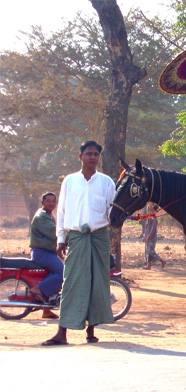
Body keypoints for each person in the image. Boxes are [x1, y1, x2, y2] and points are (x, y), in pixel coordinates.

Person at [42, 140, 116, 346]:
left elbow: (112, 212)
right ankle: (62, 333)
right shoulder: (70, 181)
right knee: (71, 284)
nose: (92, 157)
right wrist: (61, 238)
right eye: (89, 153)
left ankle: (91, 332)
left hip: (99, 238)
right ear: (80, 157)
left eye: (96, 154)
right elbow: (62, 211)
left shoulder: (107, 182)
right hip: (75, 237)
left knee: (97, 284)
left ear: (99, 158)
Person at [29, 192, 64, 319]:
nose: (51, 203)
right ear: (42, 202)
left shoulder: (48, 215)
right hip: (41, 252)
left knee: (52, 275)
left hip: (47, 252)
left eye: (53, 201)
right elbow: (54, 233)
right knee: (63, 272)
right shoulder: (42, 217)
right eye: (48, 201)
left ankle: (46, 309)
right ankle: (39, 289)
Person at [142, 203, 166, 270]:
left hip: (151, 238)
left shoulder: (153, 219)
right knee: (148, 252)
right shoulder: (149, 218)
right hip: (148, 237)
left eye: (148, 210)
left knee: (151, 251)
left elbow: (153, 229)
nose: (147, 211)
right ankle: (148, 265)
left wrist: (149, 236)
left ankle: (162, 260)